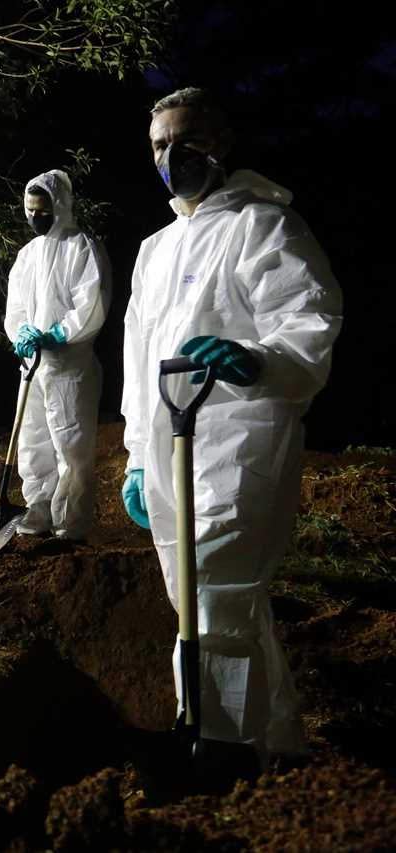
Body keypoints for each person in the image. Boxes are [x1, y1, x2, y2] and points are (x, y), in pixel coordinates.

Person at [121, 87, 342, 764]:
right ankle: (277, 742)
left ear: (219, 143)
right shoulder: (155, 248)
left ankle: (221, 749)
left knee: (214, 596)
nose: (172, 155)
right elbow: (136, 356)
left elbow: (310, 318)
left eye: (185, 140)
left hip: (237, 439)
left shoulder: (262, 224)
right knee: (201, 599)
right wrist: (134, 454)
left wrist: (257, 360)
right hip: (167, 446)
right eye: (160, 144)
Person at [3, 169, 110, 542]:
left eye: (42, 210)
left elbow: (91, 304)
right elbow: (15, 309)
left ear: (60, 206)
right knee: (33, 439)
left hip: (70, 367)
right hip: (32, 364)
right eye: (30, 210)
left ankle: (71, 522)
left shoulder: (82, 247)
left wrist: (58, 333)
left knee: (70, 443)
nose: (36, 217)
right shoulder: (27, 256)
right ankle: (39, 506)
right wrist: (22, 335)